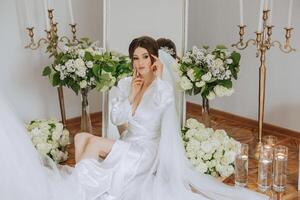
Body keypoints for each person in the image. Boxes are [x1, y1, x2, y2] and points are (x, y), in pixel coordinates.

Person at [0, 36, 269, 200]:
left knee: (91, 144)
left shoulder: (162, 89)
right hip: (128, 143)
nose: (139, 62)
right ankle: (84, 186)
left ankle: (77, 192)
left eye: (144, 57)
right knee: (81, 136)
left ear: (153, 59)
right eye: (135, 57)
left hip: (145, 151)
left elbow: (161, 112)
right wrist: (133, 95)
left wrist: (155, 81)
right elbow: (119, 118)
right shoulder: (128, 82)